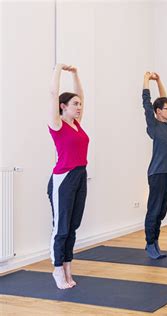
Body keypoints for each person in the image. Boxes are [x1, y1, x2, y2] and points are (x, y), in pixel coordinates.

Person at [48, 64, 89, 289]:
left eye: (80, 104)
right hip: (63, 179)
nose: (79, 106)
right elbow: (53, 93)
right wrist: (58, 70)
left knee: (73, 225)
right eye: (75, 104)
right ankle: (57, 269)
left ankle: (67, 267)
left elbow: (81, 94)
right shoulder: (57, 124)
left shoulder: (77, 125)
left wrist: (75, 75)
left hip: (81, 175)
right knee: (61, 227)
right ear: (62, 107)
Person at [142, 71, 167, 259]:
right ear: (158, 111)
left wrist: (160, 80)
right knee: (154, 210)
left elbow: (163, 99)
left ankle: (155, 242)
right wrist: (146, 80)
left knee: (162, 211)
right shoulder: (153, 125)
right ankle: (149, 243)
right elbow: (147, 103)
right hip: (157, 173)